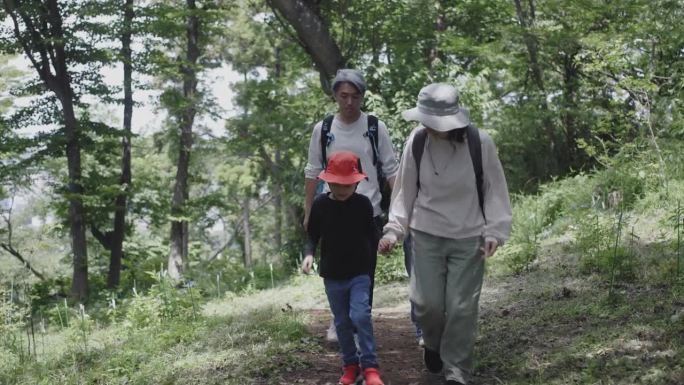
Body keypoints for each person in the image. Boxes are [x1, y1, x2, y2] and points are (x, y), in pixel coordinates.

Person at [378, 83, 512, 385]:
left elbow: (495, 192)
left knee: (462, 308)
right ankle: (434, 345)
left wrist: (495, 231)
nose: (429, 126)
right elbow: (404, 191)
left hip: (469, 237)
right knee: (427, 304)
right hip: (426, 235)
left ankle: (456, 373)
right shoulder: (417, 141)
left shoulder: (480, 143)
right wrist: (394, 231)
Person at [304, 69, 401, 342]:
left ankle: (360, 323)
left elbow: (391, 169)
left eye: (355, 96)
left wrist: (399, 212)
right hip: (331, 208)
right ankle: (339, 321)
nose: (349, 102)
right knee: (334, 266)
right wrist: (309, 211)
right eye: (343, 95)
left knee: (364, 270)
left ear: (362, 97)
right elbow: (312, 172)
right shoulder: (323, 129)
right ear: (335, 95)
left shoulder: (374, 127)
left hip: (367, 210)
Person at [303, 151, 385, 385]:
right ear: (328, 181)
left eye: (348, 185)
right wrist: (309, 254)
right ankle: (350, 365)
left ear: (358, 182)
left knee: (360, 316)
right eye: (337, 185)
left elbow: (372, 233)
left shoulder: (362, 204)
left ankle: (370, 367)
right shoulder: (320, 205)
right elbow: (312, 235)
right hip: (333, 276)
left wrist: (381, 243)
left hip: (360, 272)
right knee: (341, 322)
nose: (342, 190)